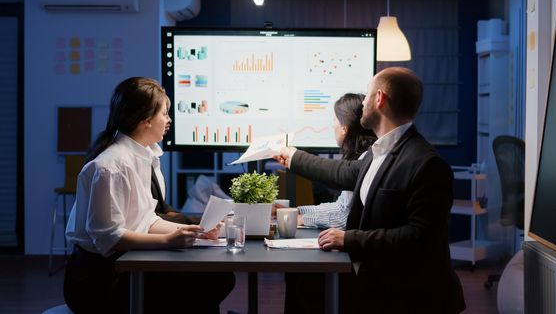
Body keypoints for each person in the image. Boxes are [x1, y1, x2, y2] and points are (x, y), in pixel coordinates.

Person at [276, 67, 466, 313]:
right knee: (304, 285)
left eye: (366, 95)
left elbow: (419, 237)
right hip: (381, 283)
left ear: (379, 99)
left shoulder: (427, 163)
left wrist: (349, 239)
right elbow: (341, 173)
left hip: (412, 296)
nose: (362, 102)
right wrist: (291, 156)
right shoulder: (379, 152)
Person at [64, 77, 234, 314]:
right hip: (98, 280)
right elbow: (108, 238)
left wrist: (196, 233)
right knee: (210, 282)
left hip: (124, 264)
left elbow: (146, 219)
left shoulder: (144, 157)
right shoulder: (111, 166)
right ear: (145, 121)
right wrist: (168, 240)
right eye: (165, 114)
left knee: (218, 279)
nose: (169, 121)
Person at [281, 93, 375, 314]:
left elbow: (344, 216)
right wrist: (296, 211)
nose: (332, 125)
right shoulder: (361, 157)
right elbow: (342, 206)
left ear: (344, 128)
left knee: (300, 277)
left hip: (359, 262)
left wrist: (300, 216)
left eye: (334, 120)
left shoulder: (363, 161)